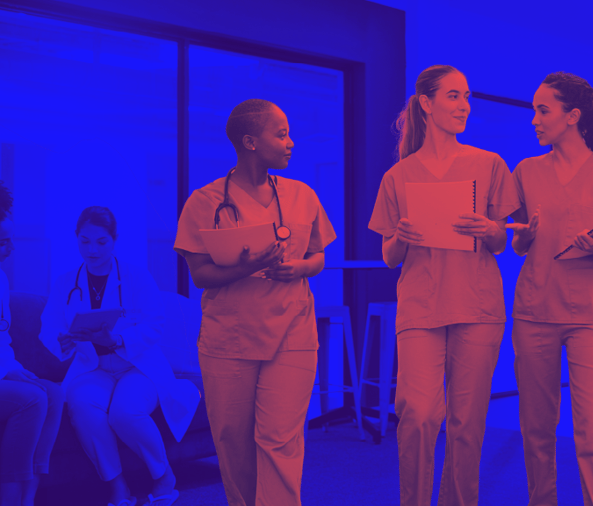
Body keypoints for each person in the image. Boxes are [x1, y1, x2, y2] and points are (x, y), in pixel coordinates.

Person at [369, 65, 520, 506]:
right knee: (417, 414)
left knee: (466, 424)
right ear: (426, 103)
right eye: (453, 96)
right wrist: (402, 237)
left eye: (467, 97)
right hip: (421, 308)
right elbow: (389, 255)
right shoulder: (398, 176)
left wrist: (488, 229)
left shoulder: (489, 165)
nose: (464, 105)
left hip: (477, 306)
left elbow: (502, 241)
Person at [174, 98, 335, 506]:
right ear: (250, 142)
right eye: (281, 135)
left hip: (292, 332)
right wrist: (246, 268)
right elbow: (200, 275)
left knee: (280, 439)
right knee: (234, 441)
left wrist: (300, 268)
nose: (290, 142)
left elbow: (318, 256)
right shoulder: (204, 202)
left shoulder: (302, 195)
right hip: (230, 338)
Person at [507, 72, 593, 506]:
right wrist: (525, 236)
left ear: (572, 116)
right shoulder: (526, 172)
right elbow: (517, 243)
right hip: (534, 313)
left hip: (590, 318)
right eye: (533, 110)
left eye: (542, 110)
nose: (534, 119)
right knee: (536, 428)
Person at [39, 206, 199, 506]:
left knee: (125, 412)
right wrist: (61, 340)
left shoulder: (137, 277)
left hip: (136, 365)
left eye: (101, 242)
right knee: (82, 407)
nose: (92, 250)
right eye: (85, 241)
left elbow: (155, 325)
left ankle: (163, 475)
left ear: (114, 240)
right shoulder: (65, 283)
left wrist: (118, 339)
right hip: (92, 367)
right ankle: (117, 485)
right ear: (76, 238)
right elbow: (49, 327)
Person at [0, 183, 64, 506]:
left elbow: (3, 338)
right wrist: (5, 372)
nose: (11, 248)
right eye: (3, 242)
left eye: (11, 239)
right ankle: (9, 496)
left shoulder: (1, 279)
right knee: (32, 399)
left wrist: (11, 368)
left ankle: (29, 496)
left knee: (53, 393)